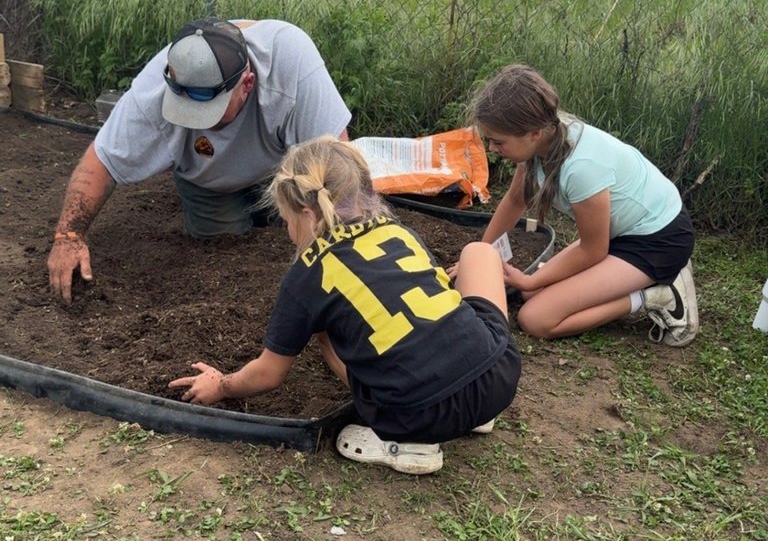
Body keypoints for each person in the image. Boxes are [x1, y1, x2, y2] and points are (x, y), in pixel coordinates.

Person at [169, 136, 522, 475]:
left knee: (325, 329)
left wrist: (222, 385)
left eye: (287, 221)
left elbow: (269, 374)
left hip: (418, 414)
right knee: (480, 252)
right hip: (497, 379)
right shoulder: (400, 232)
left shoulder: (307, 274)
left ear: (307, 213)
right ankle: (474, 412)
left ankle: (401, 443)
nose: (288, 231)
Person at [48, 18, 351, 302]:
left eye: (208, 111)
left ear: (246, 84)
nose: (196, 122)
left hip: (279, 168)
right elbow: (101, 160)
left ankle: (273, 207)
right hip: (208, 180)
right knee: (221, 244)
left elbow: (336, 164)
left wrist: (346, 250)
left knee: (298, 225)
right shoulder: (151, 92)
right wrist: (68, 235)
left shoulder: (291, 63)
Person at [469, 64, 698, 346]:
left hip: (659, 241)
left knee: (535, 318)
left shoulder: (581, 168)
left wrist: (529, 280)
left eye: (497, 142)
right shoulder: (545, 138)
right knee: (532, 295)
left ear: (533, 133)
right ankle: (631, 284)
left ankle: (656, 296)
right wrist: (481, 254)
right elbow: (516, 200)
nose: (492, 149)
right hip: (620, 234)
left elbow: (593, 249)